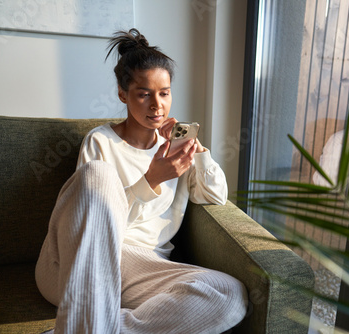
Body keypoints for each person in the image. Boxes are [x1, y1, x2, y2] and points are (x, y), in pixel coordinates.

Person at [35, 28, 248, 333]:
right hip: (77, 262)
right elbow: (91, 224)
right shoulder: (101, 142)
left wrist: (197, 152)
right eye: (144, 93)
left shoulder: (174, 152)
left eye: (164, 93)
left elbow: (214, 197)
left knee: (228, 293)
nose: (156, 105)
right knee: (99, 174)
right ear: (123, 94)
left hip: (140, 267)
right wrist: (151, 179)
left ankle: (97, 326)